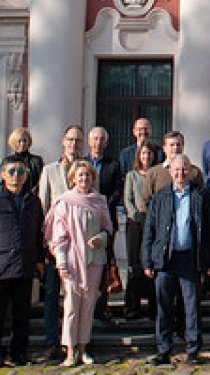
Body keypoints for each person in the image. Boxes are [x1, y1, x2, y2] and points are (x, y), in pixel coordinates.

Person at [141, 154, 210, 364]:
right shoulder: (160, 196)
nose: (181, 173)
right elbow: (149, 230)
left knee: (191, 305)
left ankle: (193, 348)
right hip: (166, 258)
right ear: (170, 172)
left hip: (190, 258)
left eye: (185, 169)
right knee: (164, 305)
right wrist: (147, 261)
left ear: (191, 171)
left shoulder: (201, 195)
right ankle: (163, 349)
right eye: (176, 169)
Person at [0, 156, 46, 368]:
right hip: (0, 267)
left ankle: (18, 352)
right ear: (3, 175)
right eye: (12, 171)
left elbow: (39, 234)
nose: (17, 176)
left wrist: (39, 260)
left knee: (21, 315)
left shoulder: (33, 201)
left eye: (21, 172)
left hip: (25, 265)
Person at [46, 159, 112, 367]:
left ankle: (84, 347)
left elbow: (107, 228)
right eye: (80, 175)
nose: (84, 179)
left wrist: (101, 238)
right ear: (73, 178)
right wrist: (62, 261)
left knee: (89, 304)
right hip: (72, 260)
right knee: (72, 306)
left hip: (94, 259)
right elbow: (59, 235)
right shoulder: (65, 202)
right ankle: (69, 349)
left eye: (88, 175)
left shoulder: (99, 200)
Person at [38, 125, 86, 358]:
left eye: (78, 140)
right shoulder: (50, 171)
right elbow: (43, 207)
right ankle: (51, 340)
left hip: (79, 244)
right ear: (63, 142)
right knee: (51, 294)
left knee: (76, 295)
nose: (74, 144)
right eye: (70, 140)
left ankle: (74, 341)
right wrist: (45, 243)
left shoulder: (86, 170)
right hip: (55, 243)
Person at [86, 126, 124, 324]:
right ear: (89, 141)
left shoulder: (113, 164)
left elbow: (118, 190)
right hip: (84, 222)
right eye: (95, 139)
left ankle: (102, 306)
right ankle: (87, 307)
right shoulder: (82, 164)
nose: (98, 143)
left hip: (106, 219)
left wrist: (103, 204)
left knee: (105, 263)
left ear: (106, 143)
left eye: (102, 139)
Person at [123, 142, 156, 321]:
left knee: (152, 264)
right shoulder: (132, 176)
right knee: (134, 266)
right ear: (138, 156)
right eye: (144, 153)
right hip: (135, 223)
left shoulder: (158, 174)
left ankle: (153, 307)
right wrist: (135, 215)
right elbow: (127, 199)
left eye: (150, 153)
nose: (147, 157)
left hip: (154, 223)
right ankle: (132, 307)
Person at [0, 128, 44, 196]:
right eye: (19, 141)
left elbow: (41, 181)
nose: (22, 144)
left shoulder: (36, 161)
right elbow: (0, 182)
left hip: (31, 198)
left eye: (25, 141)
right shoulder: (7, 161)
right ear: (14, 142)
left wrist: (30, 195)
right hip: (10, 198)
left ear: (29, 142)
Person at [119, 118, 161, 183]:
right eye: (140, 129)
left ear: (151, 131)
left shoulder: (160, 152)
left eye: (146, 129)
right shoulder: (125, 154)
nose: (143, 132)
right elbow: (122, 177)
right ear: (134, 132)